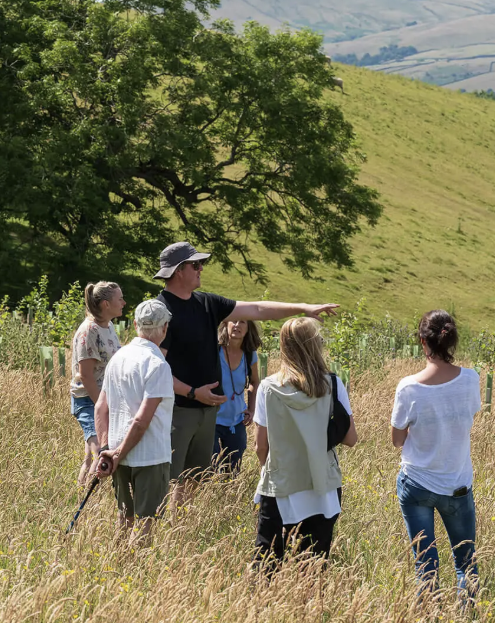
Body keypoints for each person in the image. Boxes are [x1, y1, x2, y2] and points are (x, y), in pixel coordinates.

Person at [152, 241, 338, 505]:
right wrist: (193, 393)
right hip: (178, 410)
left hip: (207, 411)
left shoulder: (207, 303)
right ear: (178, 271)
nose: (201, 269)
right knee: (169, 477)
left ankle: (180, 531)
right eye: (196, 265)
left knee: (194, 478)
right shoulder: (161, 312)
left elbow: (257, 309)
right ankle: (157, 536)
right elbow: (155, 368)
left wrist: (304, 308)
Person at [390, 310, 481, 603]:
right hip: (456, 483)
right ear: (452, 340)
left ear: (422, 341)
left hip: (417, 482)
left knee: (425, 564)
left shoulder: (408, 387)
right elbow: (467, 416)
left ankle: (427, 622)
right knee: (466, 561)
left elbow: (396, 439)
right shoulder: (470, 380)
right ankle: (469, 619)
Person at [253, 317, 357, 566]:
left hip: (281, 483)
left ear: (283, 346)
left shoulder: (268, 388)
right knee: (313, 564)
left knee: (266, 563)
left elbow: (261, 446)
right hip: (322, 485)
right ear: (316, 345)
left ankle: (264, 606)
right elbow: (351, 438)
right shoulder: (332, 384)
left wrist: (267, 468)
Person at [94, 300, 175, 539]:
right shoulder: (158, 364)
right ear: (164, 328)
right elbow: (141, 420)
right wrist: (115, 453)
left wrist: (107, 448)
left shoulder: (118, 358)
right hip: (149, 457)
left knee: (124, 517)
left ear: (136, 324)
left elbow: (100, 407)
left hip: (119, 453)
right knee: (145, 522)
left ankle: (118, 567)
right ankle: (137, 572)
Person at [70, 281, 125, 485]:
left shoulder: (108, 326)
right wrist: (102, 406)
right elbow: (86, 376)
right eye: (120, 299)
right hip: (88, 399)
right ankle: (86, 503)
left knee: (90, 455)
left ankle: (81, 497)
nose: (124, 302)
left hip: (103, 399)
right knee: (99, 452)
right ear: (105, 304)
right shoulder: (89, 332)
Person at [213, 319, 262, 476]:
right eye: (233, 321)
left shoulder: (249, 355)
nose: (237, 325)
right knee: (211, 470)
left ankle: (229, 498)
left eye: (242, 322)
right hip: (211, 420)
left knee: (232, 472)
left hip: (237, 420)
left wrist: (252, 409)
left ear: (248, 329)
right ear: (225, 325)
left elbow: (254, 381)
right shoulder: (214, 351)